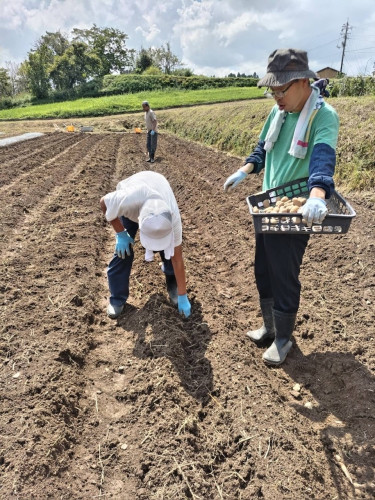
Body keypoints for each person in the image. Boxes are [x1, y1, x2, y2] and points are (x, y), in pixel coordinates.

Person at [224, 48, 339, 366]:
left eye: (281, 89)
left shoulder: (322, 116)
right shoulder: (278, 114)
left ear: (303, 81)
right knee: (263, 269)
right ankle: (270, 327)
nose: (276, 96)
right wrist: (245, 170)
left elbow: (322, 160)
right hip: (267, 205)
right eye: (272, 90)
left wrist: (316, 196)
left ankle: (285, 339)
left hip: (295, 209)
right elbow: (261, 148)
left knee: (284, 272)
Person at [100, 171, 191, 319]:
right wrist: (120, 233)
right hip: (133, 205)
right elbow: (103, 202)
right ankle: (117, 299)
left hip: (158, 189)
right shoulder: (127, 200)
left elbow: (177, 259)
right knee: (123, 251)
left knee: (171, 252)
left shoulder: (173, 217)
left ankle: (173, 286)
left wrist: (183, 295)